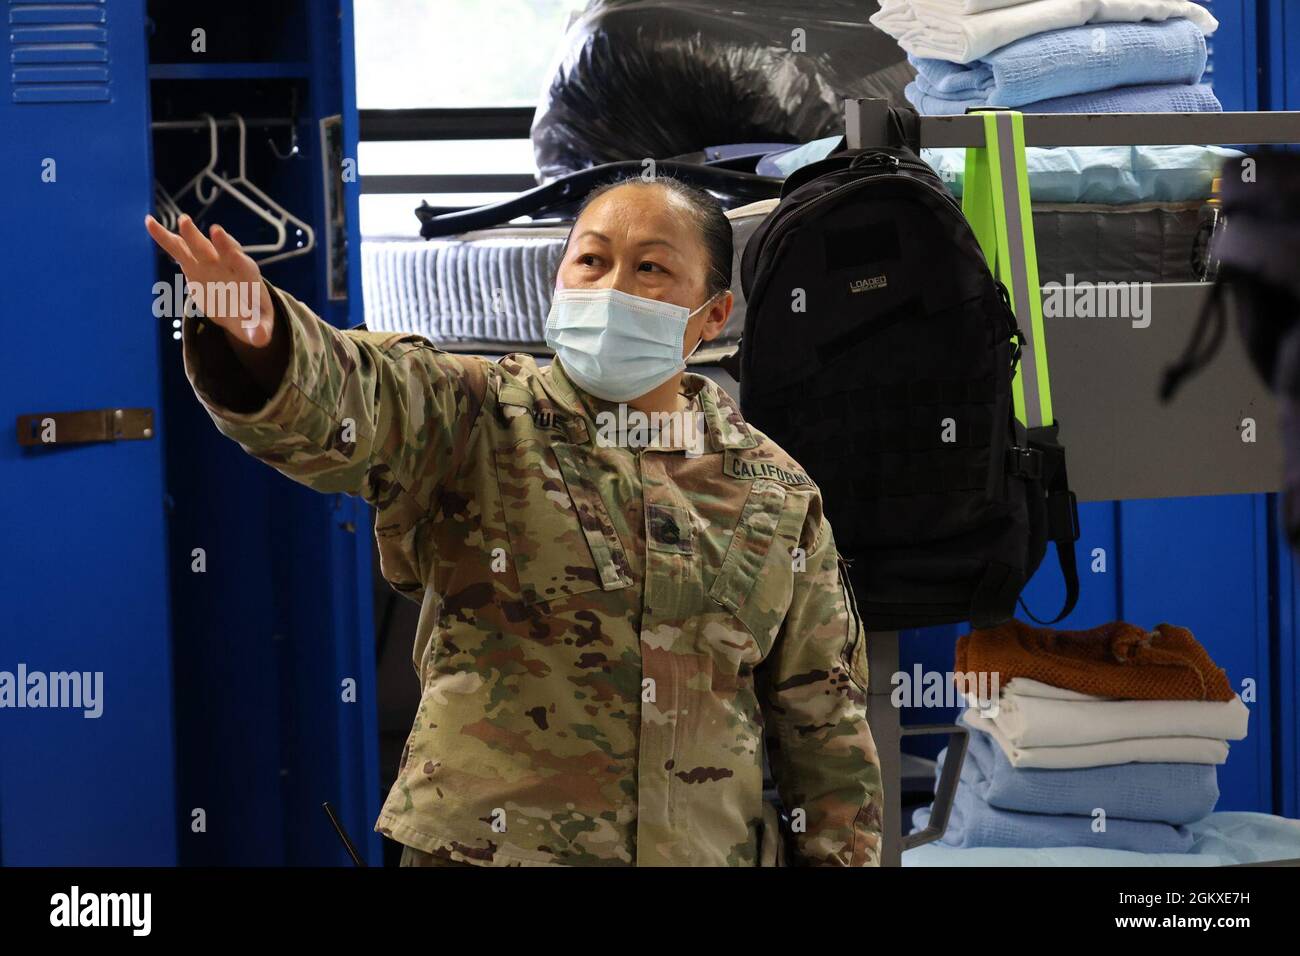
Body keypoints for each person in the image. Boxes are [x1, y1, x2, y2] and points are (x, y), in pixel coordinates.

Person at [143, 175, 883, 867]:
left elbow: (825, 723)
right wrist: (267, 335)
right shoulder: (475, 412)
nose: (612, 287)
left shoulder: (774, 490)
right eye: (591, 261)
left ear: (713, 315)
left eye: (651, 269)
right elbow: (360, 396)